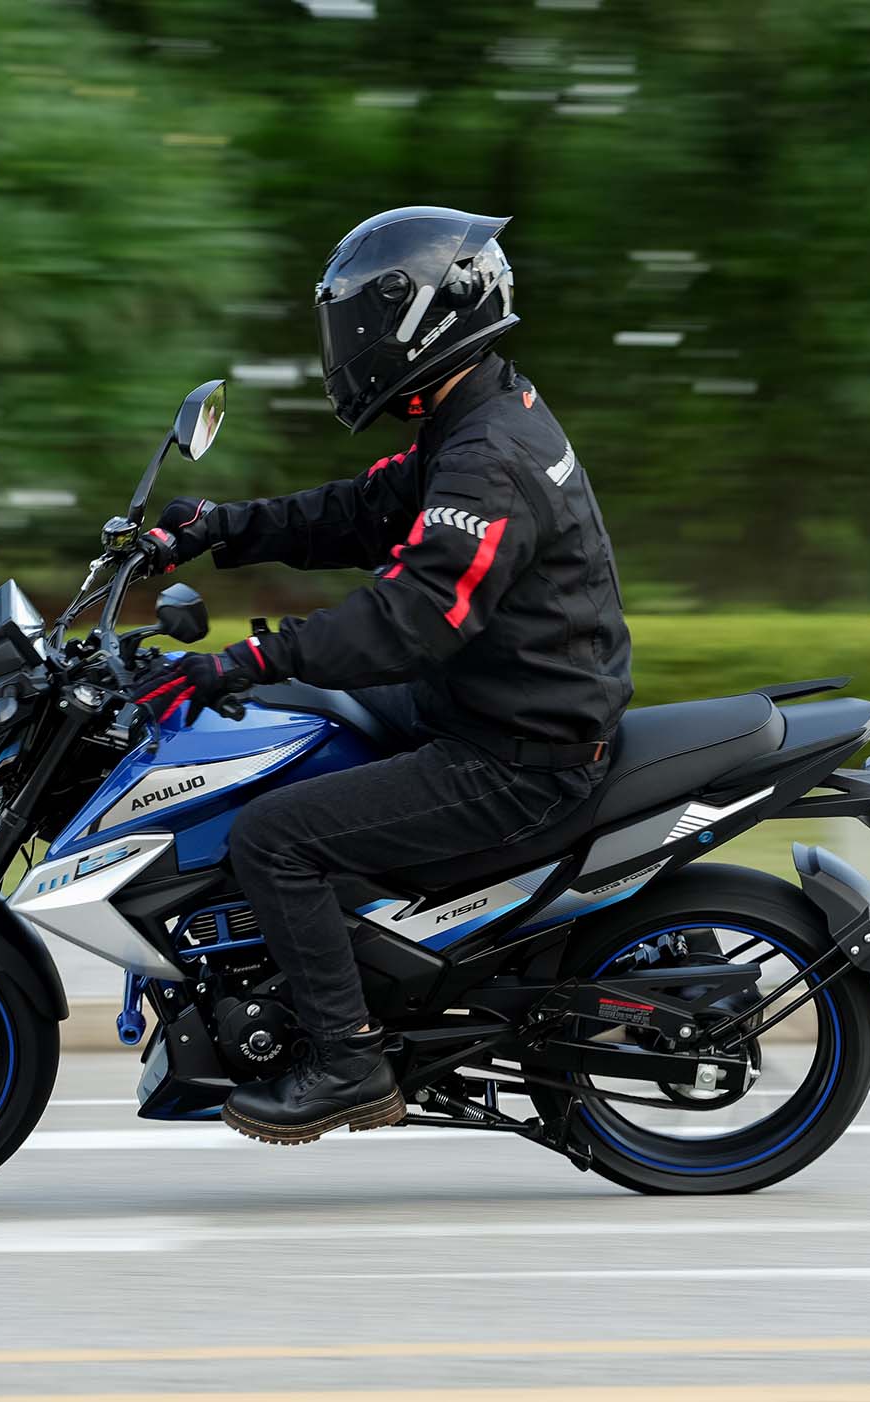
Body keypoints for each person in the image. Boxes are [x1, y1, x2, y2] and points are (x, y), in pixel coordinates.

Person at [133, 206, 634, 1145]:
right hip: (492, 698)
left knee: (274, 836)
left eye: (358, 324)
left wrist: (244, 658)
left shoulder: (489, 458)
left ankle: (348, 1063)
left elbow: (416, 618)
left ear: (420, 321)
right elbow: (361, 510)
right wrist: (216, 529)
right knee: (290, 721)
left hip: (518, 750)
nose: (346, 346)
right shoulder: (476, 414)